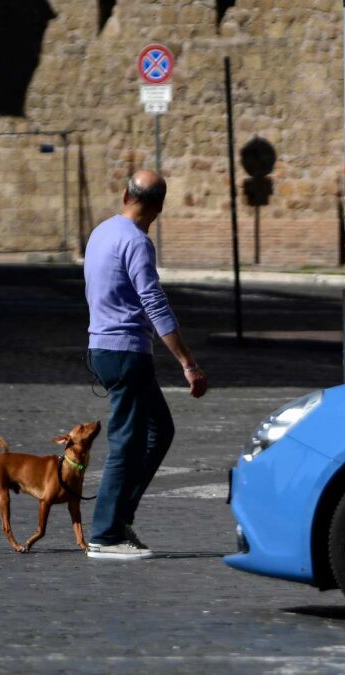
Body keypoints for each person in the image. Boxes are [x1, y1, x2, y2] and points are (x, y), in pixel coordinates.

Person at [83, 170, 209, 560]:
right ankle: (105, 534)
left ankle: (120, 519)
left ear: (125, 195)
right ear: (159, 207)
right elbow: (154, 303)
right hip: (125, 353)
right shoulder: (138, 243)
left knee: (159, 430)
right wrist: (188, 363)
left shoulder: (101, 232)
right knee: (127, 443)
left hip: (100, 348)